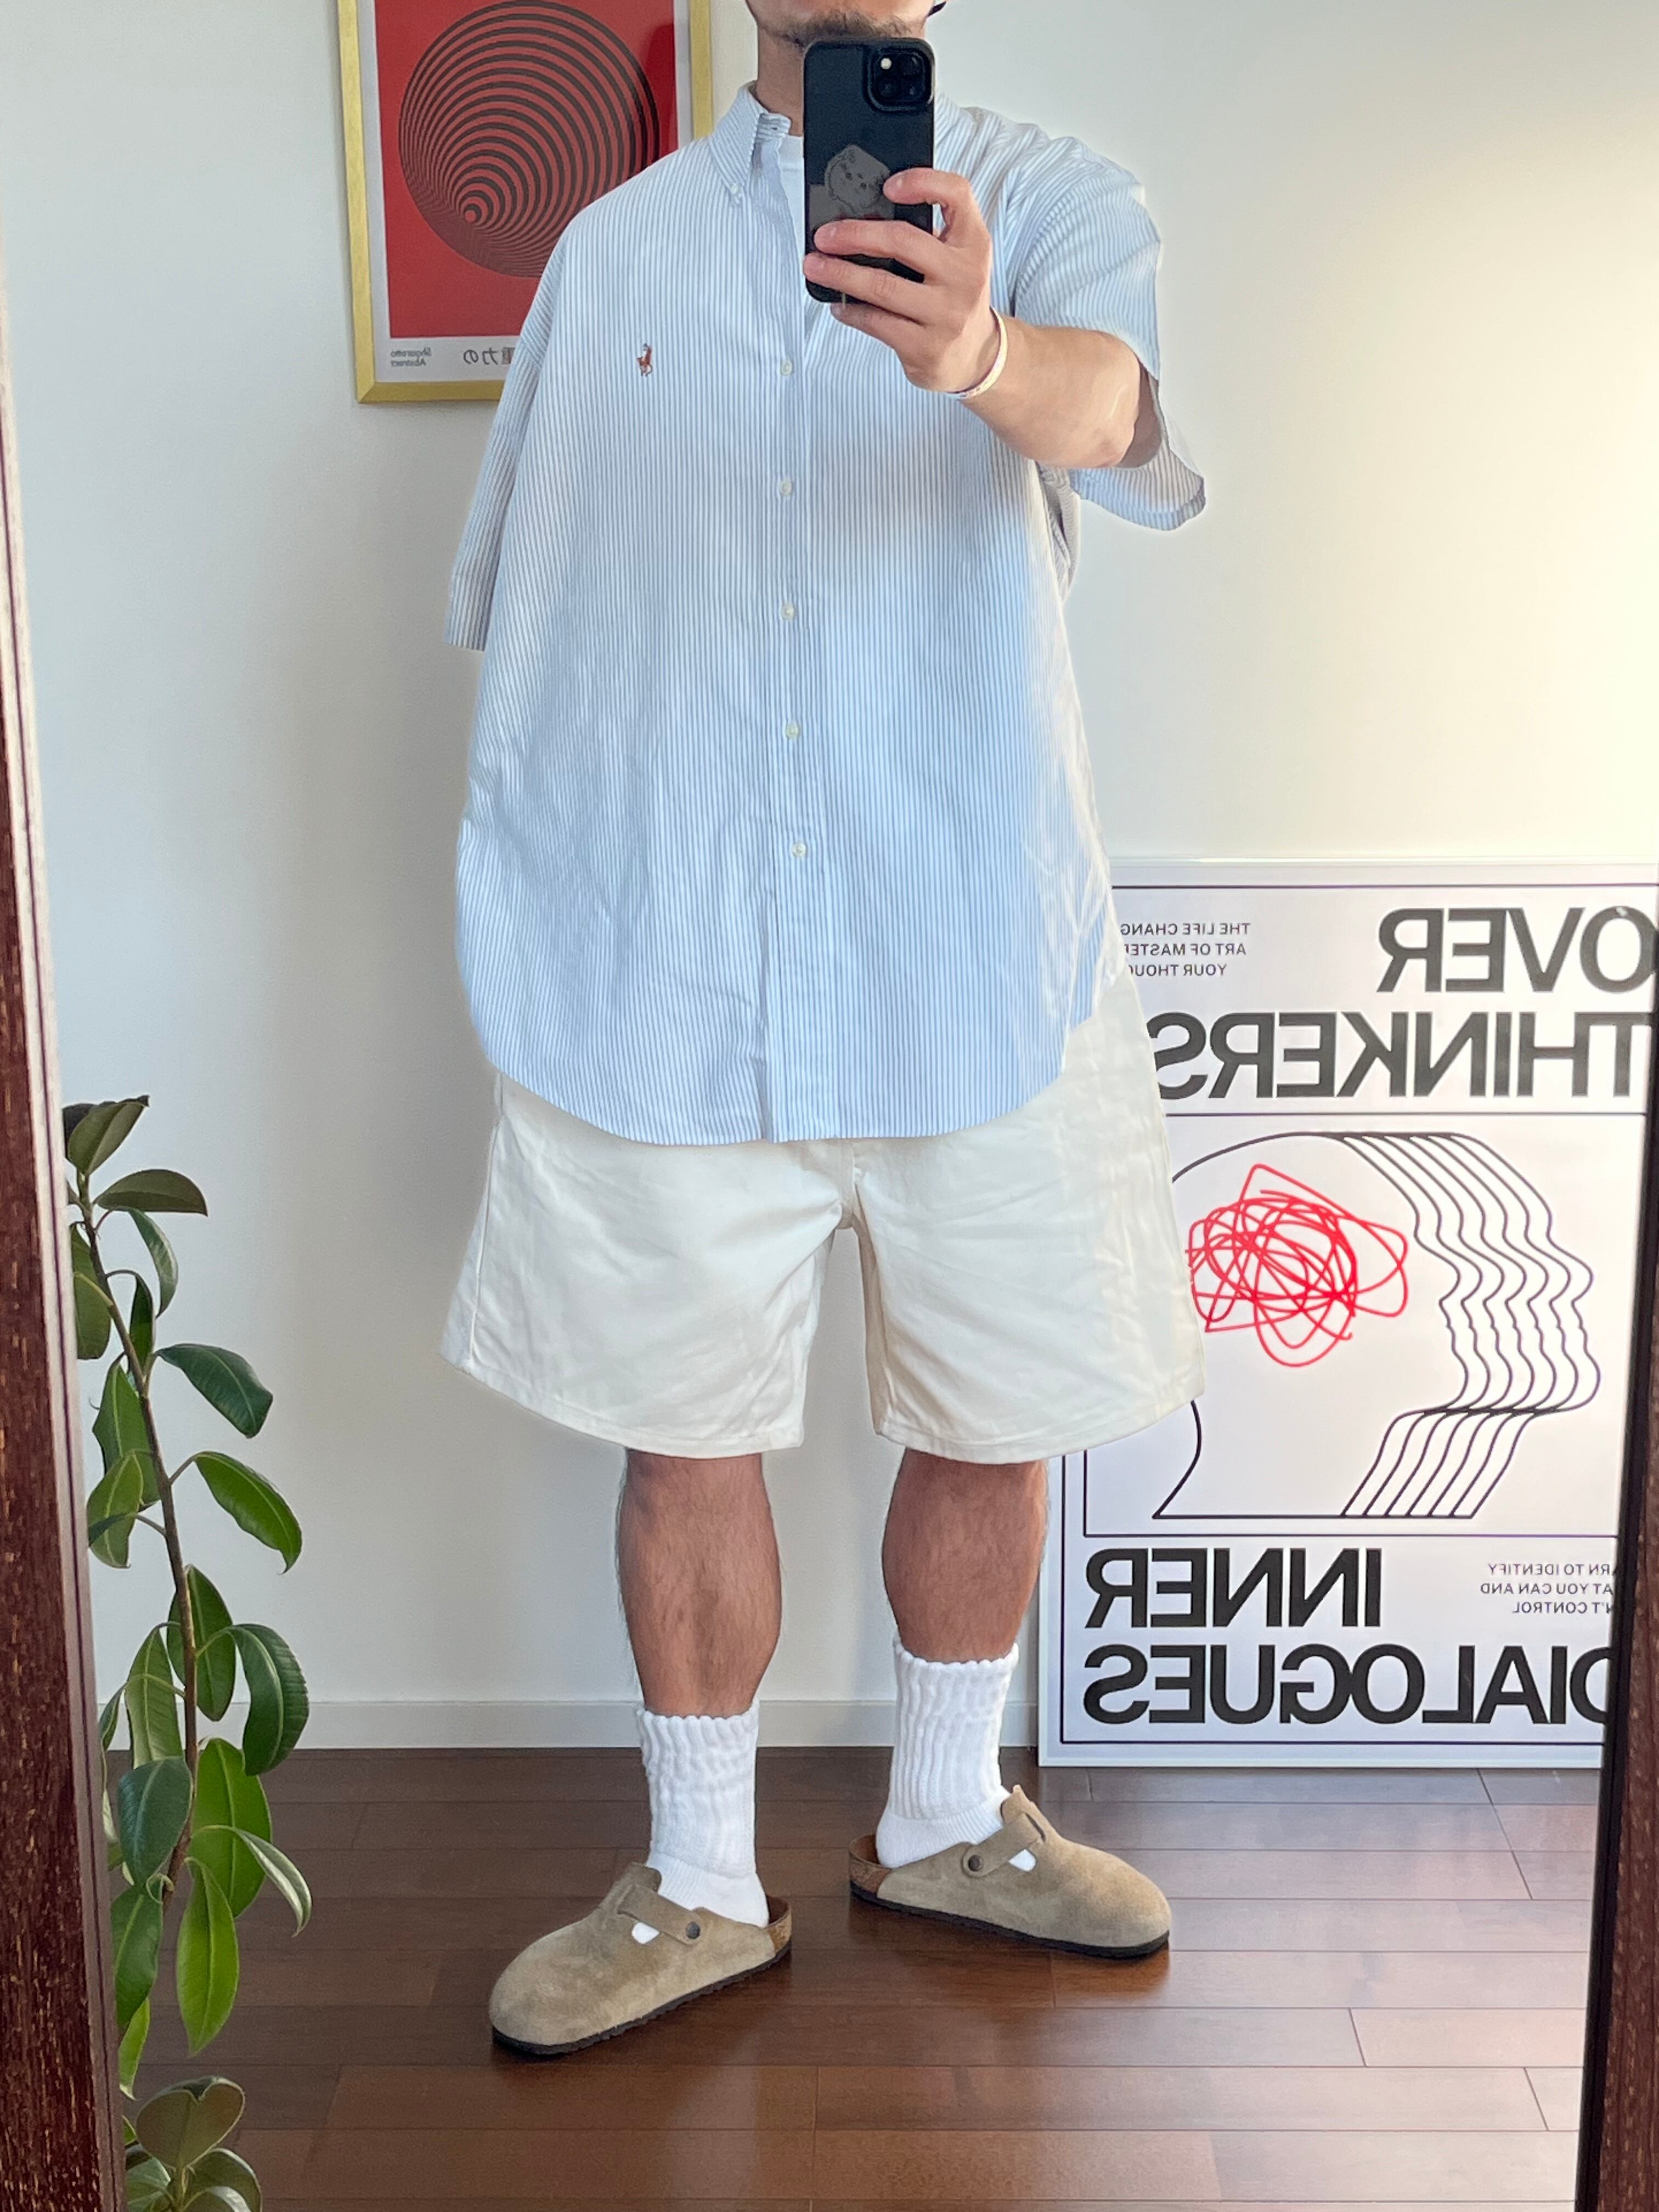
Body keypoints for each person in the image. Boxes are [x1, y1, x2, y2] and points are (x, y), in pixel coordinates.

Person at [442, 0, 1206, 2056]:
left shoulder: (1051, 199)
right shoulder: (612, 257)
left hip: (969, 933)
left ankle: (950, 1817)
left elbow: (1123, 422)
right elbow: (526, 598)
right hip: (673, 964)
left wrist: (977, 353)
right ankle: (697, 1876)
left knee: (995, 1403)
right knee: (680, 1427)